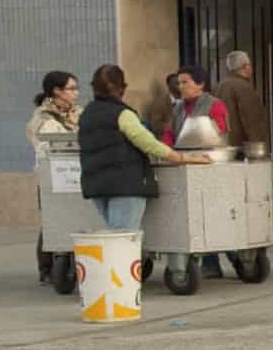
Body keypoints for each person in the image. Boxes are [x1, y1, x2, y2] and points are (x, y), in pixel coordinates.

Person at [77, 64, 197, 232]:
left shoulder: (86, 114)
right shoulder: (122, 114)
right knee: (123, 239)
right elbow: (148, 143)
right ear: (121, 88)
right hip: (124, 185)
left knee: (114, 236)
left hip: (95, 185)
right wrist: (180, 157)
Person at [162, 65, 234, 278]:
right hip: (182, 164)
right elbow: (169, 132)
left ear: (200, 84)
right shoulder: (178, 108)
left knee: (209, 215)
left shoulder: (215, 105)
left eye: (185, 82)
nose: (181, 86)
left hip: (208, 167)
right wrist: (166, 151)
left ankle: (221, 259)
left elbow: (220, 132)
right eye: (179, 82)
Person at [26, 70, 80, 284]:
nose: (76, 93)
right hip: (54, 175)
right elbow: (46, 147)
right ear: (57, 91)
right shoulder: (42, 118)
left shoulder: (78, 113)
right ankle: (47, 267)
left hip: (76, 174)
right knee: (53, 220)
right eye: (71, 88)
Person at [215, 51, 271, 149]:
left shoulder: (219, 86)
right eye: (250, 65)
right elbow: (252, 121)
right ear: (245, 66)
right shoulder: (244, 87)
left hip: (223, 146)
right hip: (241, 148)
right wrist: (258, 147)